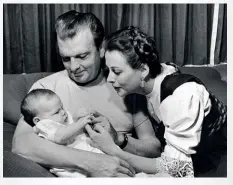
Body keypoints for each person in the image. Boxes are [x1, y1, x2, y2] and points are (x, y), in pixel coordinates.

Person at [12, 11, 161, 177]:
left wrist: (119, 139)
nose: (74, 67)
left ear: (102, 48)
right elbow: (21, 144)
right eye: (66, 59)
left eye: (82, 56)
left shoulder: (125, 85)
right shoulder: (45, 89)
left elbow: (154, 148)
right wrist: (91, 162)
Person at [84, 26, 227, 177]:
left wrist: (113, 151)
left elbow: (176, 168)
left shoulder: (181, 96)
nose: (110, 79)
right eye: (108, 70)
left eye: (117, 71)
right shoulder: (149, 84)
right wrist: (117, 137)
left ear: (144, 71)